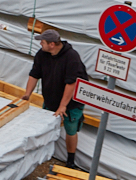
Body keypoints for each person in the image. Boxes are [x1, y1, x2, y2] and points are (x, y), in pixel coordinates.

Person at [23, 29, 88, 168]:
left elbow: (71, 83)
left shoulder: (71, 57)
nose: (40, 43)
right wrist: (27, 94)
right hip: (51, 98)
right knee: (45, 125)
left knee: (71, 129)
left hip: (71, 103)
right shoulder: (42, 54)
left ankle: (70, 161)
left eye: (43, 42)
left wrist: (63, 106)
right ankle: (41, 154)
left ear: (52, 44)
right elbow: (34, 74)